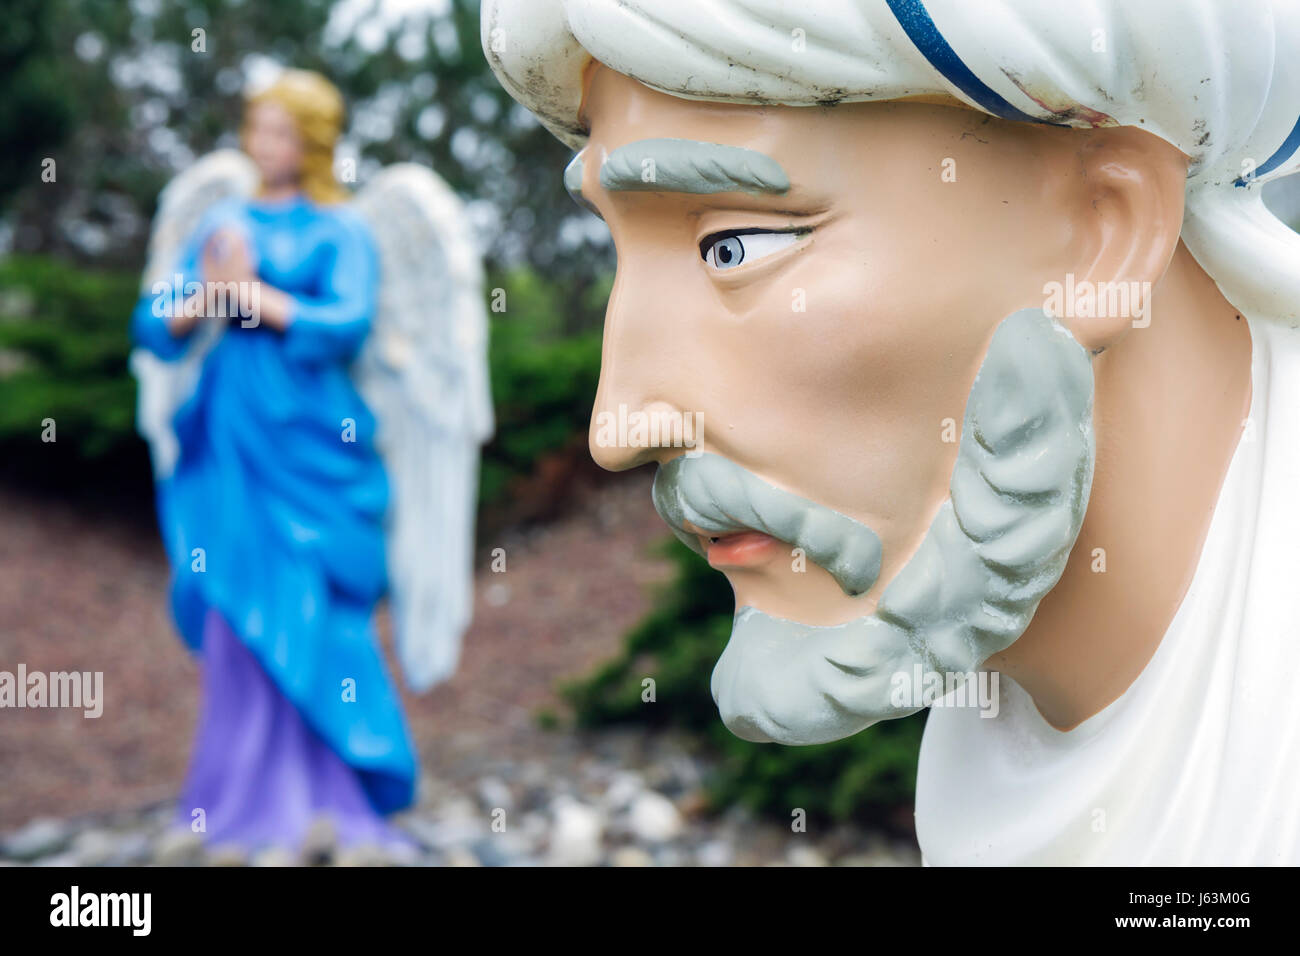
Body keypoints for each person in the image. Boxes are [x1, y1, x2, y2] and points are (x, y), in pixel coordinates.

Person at [482, 0, 1300, 863]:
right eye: (618, 249)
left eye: (733, 246)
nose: (618, 425)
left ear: (1106, 233)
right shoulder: (978, 755)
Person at [130, 70, 417, 856]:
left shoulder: (340, 229)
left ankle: (332, 790)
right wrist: (203, 300)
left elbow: (347, 323)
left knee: (318, 603)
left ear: (314, 142)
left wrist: (254, 297)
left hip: (315, 435)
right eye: (258, 126)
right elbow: (156, 323)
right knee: (232, 595)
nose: (266, 144)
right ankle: (235, 799)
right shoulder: (222, 219)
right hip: (232, 429)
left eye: (283, 131)